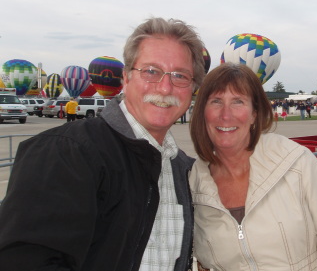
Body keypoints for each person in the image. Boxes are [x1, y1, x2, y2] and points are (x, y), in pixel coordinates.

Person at [0, 17, 206, 271]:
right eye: (151, 71)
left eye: (180, 75)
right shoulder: (66, 152)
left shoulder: (183, 169)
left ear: (192, 88)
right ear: (126, 78)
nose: (165, 88)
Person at [188, 63, 317, 271]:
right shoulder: (193, 181)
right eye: (216, 101)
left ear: (254, 114)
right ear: (202, 112)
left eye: (238, 101)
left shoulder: (295, 162)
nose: (226, 115)